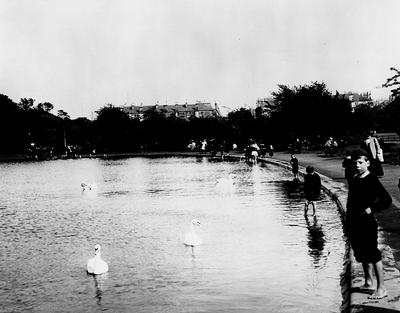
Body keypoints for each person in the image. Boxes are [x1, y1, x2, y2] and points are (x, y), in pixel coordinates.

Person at [346, 150, 392, 299]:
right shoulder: (354, 178)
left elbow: (387, 200)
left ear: (368, 163)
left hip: (367, 223)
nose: (357, 165)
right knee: (361, 253)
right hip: (354, 223)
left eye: (360, 162)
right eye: (355, 163)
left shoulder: (372, 179)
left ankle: (381, 288)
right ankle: (368, 281)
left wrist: (371, 208)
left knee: (372, 253)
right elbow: (350, 203)